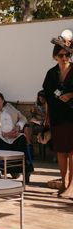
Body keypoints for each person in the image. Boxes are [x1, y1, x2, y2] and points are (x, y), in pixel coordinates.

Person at [42, 44, 73, 198]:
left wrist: (71, 94)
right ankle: (65, 184)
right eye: (61, 55)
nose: (64, 58)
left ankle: (72, 186)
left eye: (67, 55)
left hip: (72, 115)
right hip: (57, 116)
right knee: (61, 151)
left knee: (72, 152)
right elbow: (47, 94)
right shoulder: (51, 73)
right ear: (55, 56)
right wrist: (47, 117)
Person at [0, 91, 33, 181]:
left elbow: (23, 118)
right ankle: (5, 169)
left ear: (3, 101)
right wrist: (5, 134)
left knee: (22, 138)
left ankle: (26, 169)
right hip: (0, 136)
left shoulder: (9, 107)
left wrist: (18, 127)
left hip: (15, 135)